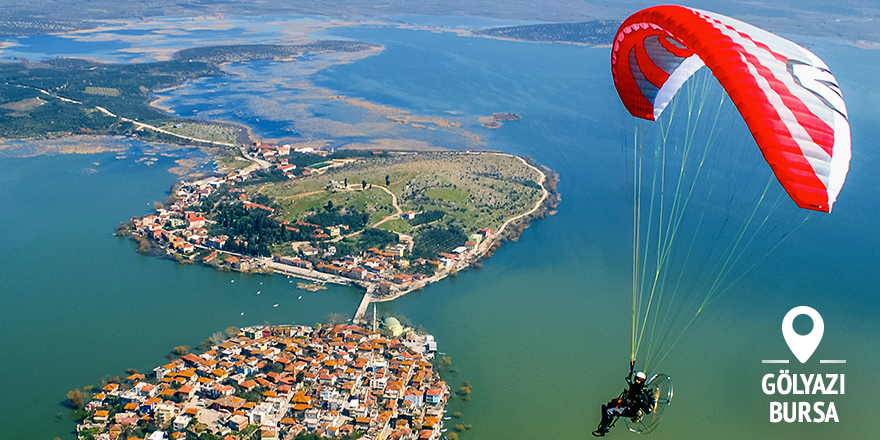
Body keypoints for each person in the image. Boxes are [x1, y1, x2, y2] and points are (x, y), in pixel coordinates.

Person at [592, 370, 655, 437]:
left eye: (639, 380)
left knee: (609, 411)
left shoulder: (642, 393)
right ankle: (604, 423)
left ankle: (602, 430)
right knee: (604, 406)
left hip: (630, 410)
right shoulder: (634, 387)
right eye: (636, 379)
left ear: (642, 381)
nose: (636, 381)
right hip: (625, 405)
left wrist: (635, 401)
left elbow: (644, 406)